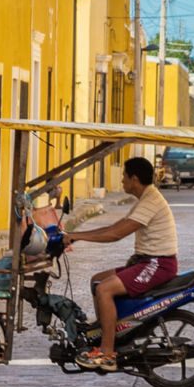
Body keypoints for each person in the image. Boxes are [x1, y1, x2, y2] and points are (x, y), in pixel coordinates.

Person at [61, 153, 181, 371]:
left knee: (105, 290)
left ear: (134, 179)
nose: (122, 181)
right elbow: (113, 227)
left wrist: (78, 237)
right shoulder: (145, 198)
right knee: (97, 281)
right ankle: (106, 334)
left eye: (124, 177)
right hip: (145, 261)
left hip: (157, 263)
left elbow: (116, 235)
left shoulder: (151, 200)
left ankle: (108, 353)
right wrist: (77, 234)